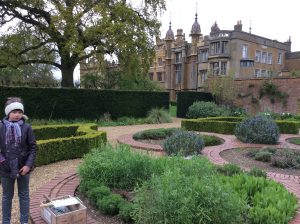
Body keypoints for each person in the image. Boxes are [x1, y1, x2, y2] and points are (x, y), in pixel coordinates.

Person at [0, 97, 36, 224]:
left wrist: (28, 165)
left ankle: (24, 221)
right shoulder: (1, 127)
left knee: (24, 196)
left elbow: (32, 147)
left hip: (23, 168)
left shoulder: (27, 128)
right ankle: (5, 221)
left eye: (20, 112)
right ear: (8, 112)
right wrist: (2, 161)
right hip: (6, 168)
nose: (17, 115)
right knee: (6, 197)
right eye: (14, 112)